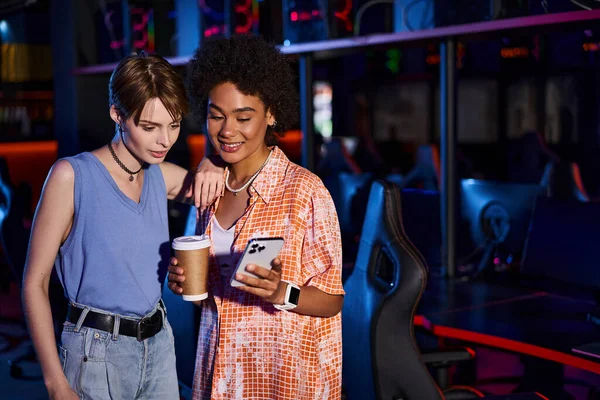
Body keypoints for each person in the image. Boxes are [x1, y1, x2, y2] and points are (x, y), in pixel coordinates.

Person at [22, 52, 222, 400]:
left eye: (173, 125)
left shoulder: (159, 175)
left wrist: (212, 161)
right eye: (149, 127)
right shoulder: (72, 176)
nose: (165, 140)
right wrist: (56, 383)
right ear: (117, 114)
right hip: (95, 352)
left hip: (159, 343)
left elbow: (221, 186)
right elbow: (34, 282)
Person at [167, 34, 345, 399]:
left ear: (271, 114)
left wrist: (281, 291)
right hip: (221, 373)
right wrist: (187, 284)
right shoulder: (210, 190)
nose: (227, 131)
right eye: (216, 116)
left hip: (281, 377)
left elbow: (332, 299)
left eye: (243, 117)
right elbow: (216, 300)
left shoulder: (305, 192)